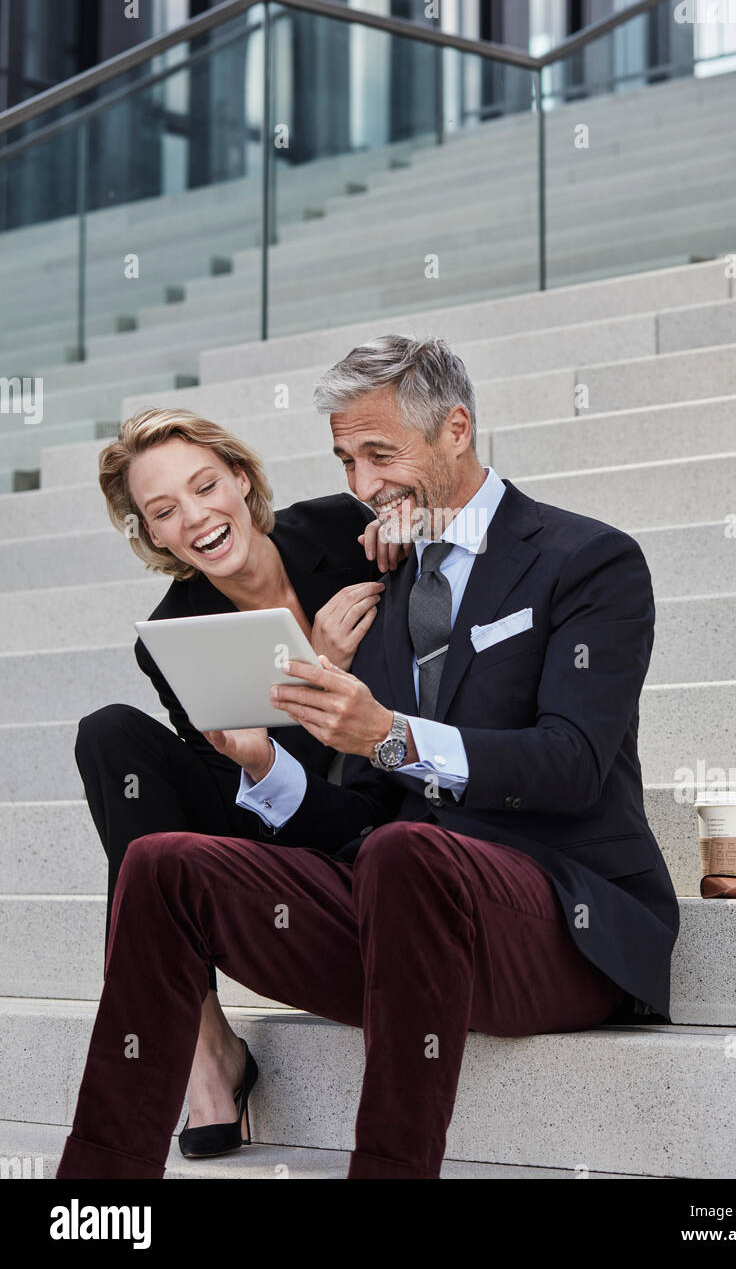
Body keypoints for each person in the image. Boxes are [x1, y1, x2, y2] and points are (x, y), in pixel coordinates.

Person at [57, 336, 679, 1180]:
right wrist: (264, 763)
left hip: (563, 925)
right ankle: (94, 1204)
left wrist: (387, 732)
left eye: (379, 455)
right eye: (346, 460)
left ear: (456, 429)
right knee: (166, 865)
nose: (361, 488)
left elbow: (572, 764)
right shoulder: (377, 594)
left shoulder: (586, 560)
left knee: (405, 851)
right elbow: (359, 822)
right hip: (403, 919)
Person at [75, 406, 409, 1156]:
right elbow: (251, 774)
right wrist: (314, 672)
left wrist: (411, 521)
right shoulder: (173, 636)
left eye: (205, 486)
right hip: (268, 823)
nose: (195, 517)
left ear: (242, 478)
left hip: (375, 808)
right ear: (152, 535)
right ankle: (203, 1054)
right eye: (165, 511)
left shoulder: (337, 527)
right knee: (109, 735)